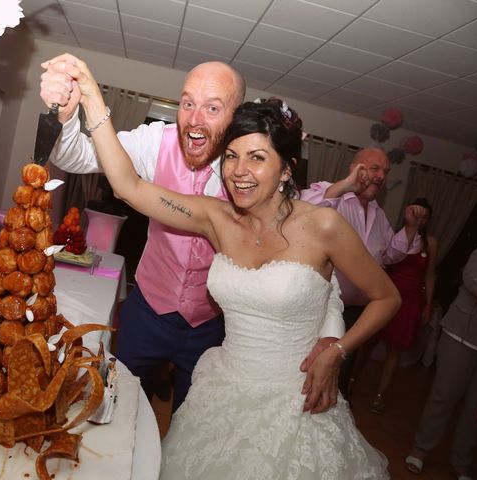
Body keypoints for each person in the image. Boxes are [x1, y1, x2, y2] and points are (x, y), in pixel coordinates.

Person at [63, 55, 400, 479]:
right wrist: (93, 101)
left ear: (286, 170)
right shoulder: (217, 219)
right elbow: (130, 186)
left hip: (291, 400)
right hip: (221, 387)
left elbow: (386, 296)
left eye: (257, 158)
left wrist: (337, 348)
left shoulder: (323, 225)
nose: (239, 172)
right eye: (233, 157)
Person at [40, 55, 345, 413]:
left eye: (212, 107)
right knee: (111, 404)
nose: (195, 119)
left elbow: (312, 266)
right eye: (187, 104)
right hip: (146, 310)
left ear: (236, 115)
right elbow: (79, 157)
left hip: (213, 328)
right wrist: (65, 117)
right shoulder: (155, 140)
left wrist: (332, 338)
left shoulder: (253, 173)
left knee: (191, 421)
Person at [300, 150, 426, 398]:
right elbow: (305, 213)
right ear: (354, 168)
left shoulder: (379, 216)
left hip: (359, 313)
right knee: (310, 368)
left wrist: (410, 229)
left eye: (386, 171)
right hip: (323, 309)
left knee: (340, 372)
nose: (381, 176)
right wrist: (347, 185)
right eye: (375, 168)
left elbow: (390, 255)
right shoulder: (332, 194)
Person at [351, 197, 437, 414]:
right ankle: (350, 381)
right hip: (387, 293)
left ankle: (380, 395)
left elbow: (430, 275)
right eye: (418, 215)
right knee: (367, 341)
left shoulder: (431, 243)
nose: (421, 220)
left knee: (395, 350)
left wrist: (428, 305)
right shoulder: (395, 237)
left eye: (425, 217)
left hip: (411, 301)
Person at [405, 246, 477, 480]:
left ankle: (462, 463)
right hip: (461, 334)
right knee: (444, 395)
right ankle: (421, 449)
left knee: (476, 409)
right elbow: (474, 282)